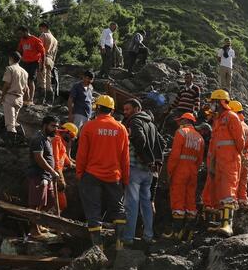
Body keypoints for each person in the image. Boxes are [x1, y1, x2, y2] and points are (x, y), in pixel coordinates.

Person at [75, 95, 129, 250]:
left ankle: (98, 248)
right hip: (114, 176)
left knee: (93, 211)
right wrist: (125, 179)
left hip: (91, 175)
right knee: (118, 210)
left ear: (97, 108)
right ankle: (120, 244)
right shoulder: (121, 129)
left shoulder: (89, 126)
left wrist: (79, 173)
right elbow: (124, 157)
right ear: (112, 110)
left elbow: (81, 154)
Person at [200, 89, 245, 236]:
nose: (211, 105)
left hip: (230, 160)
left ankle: (228, 225)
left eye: (213, 102)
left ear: (220, 102)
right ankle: (222, 223)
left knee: (227, 191)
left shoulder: (231, 117)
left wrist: (234, 156)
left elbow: (240, 141)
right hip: (219, 162)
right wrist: (212, 163)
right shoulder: (218, 120)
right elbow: (214, 144)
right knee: (219, 191)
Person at [121, 98, 164, 247]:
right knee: (146, 203)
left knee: (131, 204)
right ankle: (148, 235)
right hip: (148, 171)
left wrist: (143, 156)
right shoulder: (151, 124)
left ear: (136, 109)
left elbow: (140, 139)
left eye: (127, 109)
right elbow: (162, 143)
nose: (125, 112)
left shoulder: (135, 121)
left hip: (135, 168)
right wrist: (153, 160)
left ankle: (128, 237)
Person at [165, 112, 205, 241]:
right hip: (193, 171)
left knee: (178, 198)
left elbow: (175, 155)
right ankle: (188, 233)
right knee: (190, 200)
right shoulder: (200, 138)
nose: (178, 123)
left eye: (180, 121)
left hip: (180, 170)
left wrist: (169, 172)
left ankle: (176, 233)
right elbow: (200, 160)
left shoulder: (181, 133)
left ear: (184, 121)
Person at [26, 115, 60, 237]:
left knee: (49, 202)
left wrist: (51, 173)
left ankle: (38, 224)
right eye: (53, 126)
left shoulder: (47, 139)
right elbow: (39, 158)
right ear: (45, 125)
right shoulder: (38, 139)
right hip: (38, 175)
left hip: (46, 176)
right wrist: (52, 171)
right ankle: (34, 230)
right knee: (35, 204)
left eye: (57, 126)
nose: (55, 129)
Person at [0, 52, 29, 142]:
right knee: (13, 121)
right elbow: (26, 88)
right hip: (20, 98)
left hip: (10, 97)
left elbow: (7, 84)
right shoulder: (24, 72)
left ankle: (11, 144)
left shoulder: (10, 68)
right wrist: (27, 100)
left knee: (10, 124)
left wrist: (2, 96)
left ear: (11, 58)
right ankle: (22, 138)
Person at [230, 101, 248, 209]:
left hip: (237, 156)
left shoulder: (237, 125)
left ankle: (234, 203)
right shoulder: (247, 127)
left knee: (234, 181)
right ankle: (243, 200)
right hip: (246, 157)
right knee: (243, 182)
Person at [51, 122, 78, 213]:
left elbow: (64, 157)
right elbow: (55, 160)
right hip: (54, 174)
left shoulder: (61, 141)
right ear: (66, 132)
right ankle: (49, 215)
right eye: (71, 136)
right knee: (60, 203)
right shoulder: (56, 140)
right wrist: (59, 176)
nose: (71, 139)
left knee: (61, 203)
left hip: (56, 172)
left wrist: (73, 164)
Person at [16, 26, 46, 105]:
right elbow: (19, 50)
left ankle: (31, 100)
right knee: (24, 80)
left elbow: (43, 53)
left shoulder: (35, 40)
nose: (20, 35)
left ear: (26, 31)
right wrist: (17, 60)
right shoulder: (22, 40)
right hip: (25, 62)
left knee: (30, 80)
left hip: (34, 62)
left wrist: (42, 65)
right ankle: (25, 98)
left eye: (21, 33)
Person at [38, 22, 59, 104]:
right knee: (48, 81)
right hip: (51, 60)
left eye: (40, 29)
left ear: (44, 27)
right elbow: (55, 54)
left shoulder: (44, 35)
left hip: (43, 58)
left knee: (42, 80)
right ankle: (50, 100)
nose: (40, 31)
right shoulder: (55, 40)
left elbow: (39, 48)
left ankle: (41, 100)